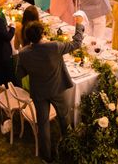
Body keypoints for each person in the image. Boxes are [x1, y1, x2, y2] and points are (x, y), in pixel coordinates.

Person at [16, 16, 85, 164]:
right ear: (42, 33)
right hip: (57, 89)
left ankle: (47, 157)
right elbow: (77, 43)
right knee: (64, 118)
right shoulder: (54, 47)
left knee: (43, 124)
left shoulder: (23, 54)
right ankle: (68, 148)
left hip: (39, 92)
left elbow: (20, 74)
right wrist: (79, 24)